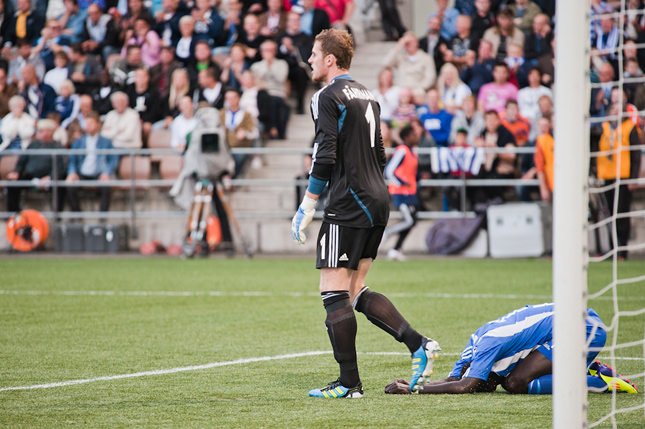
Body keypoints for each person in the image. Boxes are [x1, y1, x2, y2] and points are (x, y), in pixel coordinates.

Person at [291, 28, 440, 399]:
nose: (308, 59)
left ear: (329, 59)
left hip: (348, 202)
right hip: (377, 199)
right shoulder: (368, 95)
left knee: (332, 292)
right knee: (355, 289)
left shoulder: (327, 95)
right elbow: (380, 154)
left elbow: (324, 155)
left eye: (313, 53)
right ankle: (418, 344)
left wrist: (308, 203)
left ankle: (349, 384)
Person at [385, 303, 638, 395]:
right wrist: (416, 383)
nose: (486, 384)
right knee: (512, 378)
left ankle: (598, 381)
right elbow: (455, 378)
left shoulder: (487, 346)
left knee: (515, 383)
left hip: (584, 329)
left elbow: (466, 385)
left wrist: (415, 391)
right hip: (571, 322)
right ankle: (587, 366)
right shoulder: (473, 346)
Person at [596, 102, 642, 260]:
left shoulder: (630, 127)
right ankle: (611, 249)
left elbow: (636, 155)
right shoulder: (604, 127)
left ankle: (623, 251)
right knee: (608, 214)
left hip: (623, 177)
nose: (615, 111)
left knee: (621, 213)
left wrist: (633, 178)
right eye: (612, 109)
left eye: (618, 109)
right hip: (606, 176)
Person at [6, 119, 67, 213]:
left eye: (41, 131)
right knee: (13, 182)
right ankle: (14, 215)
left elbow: (60, 166)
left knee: (60, 186)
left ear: (49, 132)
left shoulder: (57, 147)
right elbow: (22, 160)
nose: (38, 133)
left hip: (48, 179)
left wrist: (50, 177)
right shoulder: (33, 144)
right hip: (30, 176)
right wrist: (16, 171)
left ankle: (57, 216)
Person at [66, 111, 118, 212]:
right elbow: (72, 159)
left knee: (106, 185)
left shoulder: (106, 142)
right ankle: (77, 215)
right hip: (82, 173)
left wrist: (106, 172)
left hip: (99, 173)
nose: (87, 126)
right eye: (86, 124)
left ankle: (102, 219)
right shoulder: (79, 141)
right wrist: (72, 172)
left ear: (97, 125)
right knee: (69, 185)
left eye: (91, 124)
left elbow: (113, 160)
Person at [382, 125, 419, 262]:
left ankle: (396, 249)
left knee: (413, 220)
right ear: (407, 137)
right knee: (409, 220)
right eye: (414, 135)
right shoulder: (402, 150)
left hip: (411, 192)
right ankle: (386, 234)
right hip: (401, 193)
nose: (416, 137)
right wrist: (401, 183)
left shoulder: (412, 151)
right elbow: (389, 170)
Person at [220, 87, 258, 177]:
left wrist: (245, 133)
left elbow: (254, 133)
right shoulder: (221, 114)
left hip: (240, 148)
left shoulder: (246, 114)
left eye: (233, 98)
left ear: (238, 98)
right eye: (228, 98)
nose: (231, 101)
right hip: (224, 148)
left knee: (239, 156)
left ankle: (232, 179)